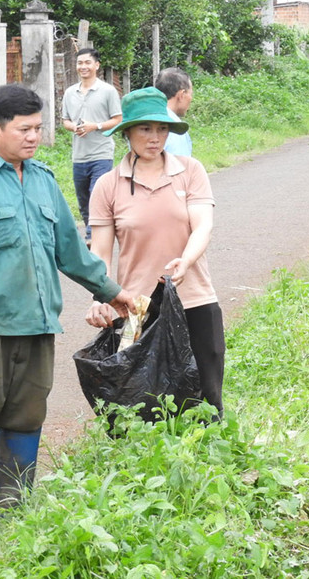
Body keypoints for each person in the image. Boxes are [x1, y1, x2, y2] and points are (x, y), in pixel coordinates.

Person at [0, 84, 135, 544]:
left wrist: (112, 290)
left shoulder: (43, 180)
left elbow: (71, 250)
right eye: (24, 129)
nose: (34, 137)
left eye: (39, 128)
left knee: (25, 417)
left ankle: (13, 511)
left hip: (39, 324)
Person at [85, 87, 225, 420]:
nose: (155, 137)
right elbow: (101, 252)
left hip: (194, 299)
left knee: (206, 401)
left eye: (161, 128)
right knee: (145, 405)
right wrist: (99, 298)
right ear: (128, 132)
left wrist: (186, 261)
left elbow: (202, 226)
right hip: (137, 308)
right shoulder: (108, 185)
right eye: (145, 129)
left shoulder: (190, 171)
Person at [61, 47, 123, 245]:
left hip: (102, 153)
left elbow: (118, 119)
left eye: (87, 62)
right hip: (79, 155)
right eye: (80, 63)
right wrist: (75, 128)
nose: (83, 66)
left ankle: (91, 236)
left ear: (97, 65)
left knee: (97, 193)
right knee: (83, 199)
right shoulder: (70, 92)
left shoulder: (108, 91)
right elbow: (65, 121)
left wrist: (94, 126)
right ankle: (95, 232)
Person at [154, 67, 194, 157]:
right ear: (182, 95)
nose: (191, 99)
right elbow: (180, 166)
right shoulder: (175, 127)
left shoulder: (146, 120)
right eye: (190, 94)